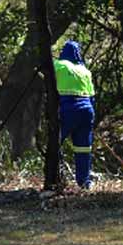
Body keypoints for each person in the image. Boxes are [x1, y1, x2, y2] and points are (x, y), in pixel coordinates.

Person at [54, 41, 95, 189]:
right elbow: (92, 97)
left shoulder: (58, 65)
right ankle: (84, 182)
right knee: (83, 148)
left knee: (55, 144)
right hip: (87, 111)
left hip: (68, 109)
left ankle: (55, 179)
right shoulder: (85, 71)